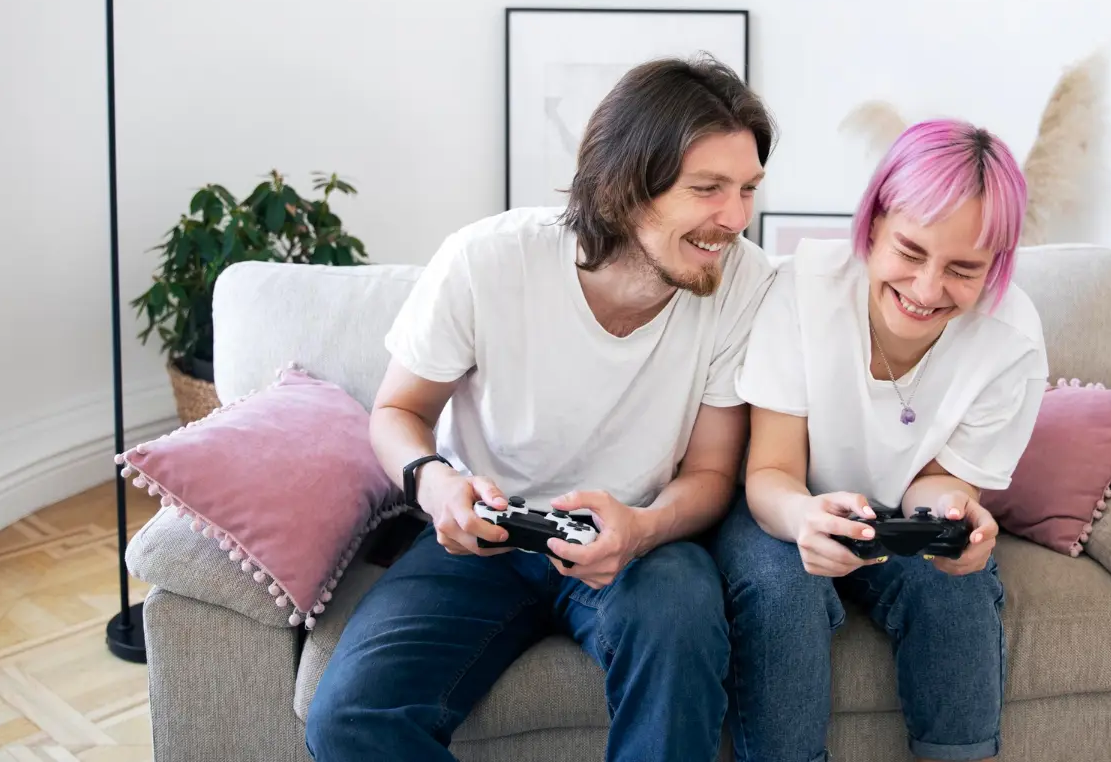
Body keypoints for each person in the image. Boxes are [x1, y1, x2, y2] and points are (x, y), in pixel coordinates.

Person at [306, 56, 777, 762]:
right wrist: (437, 487)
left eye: (747, 190)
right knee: (347, 719)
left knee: (680, 624)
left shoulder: (744, 283)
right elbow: (397, 410)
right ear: (626, 183)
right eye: (707, 189)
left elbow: (712, 472)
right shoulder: (486, 260)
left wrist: (642, 529)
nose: (735, 219)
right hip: (483, 540)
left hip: (638, 544)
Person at [714, 119, 1048, 762]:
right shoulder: (802, 290)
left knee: (956, 583)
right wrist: (804, 517)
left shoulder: (1012, 343)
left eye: (962, 270)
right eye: (911, 252)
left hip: (893, 514)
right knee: (783, 590)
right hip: (784, 506)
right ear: (871, 226)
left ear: (996, 266)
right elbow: (772, 471)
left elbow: (940, 481)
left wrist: (949, 517)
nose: (926, 290)